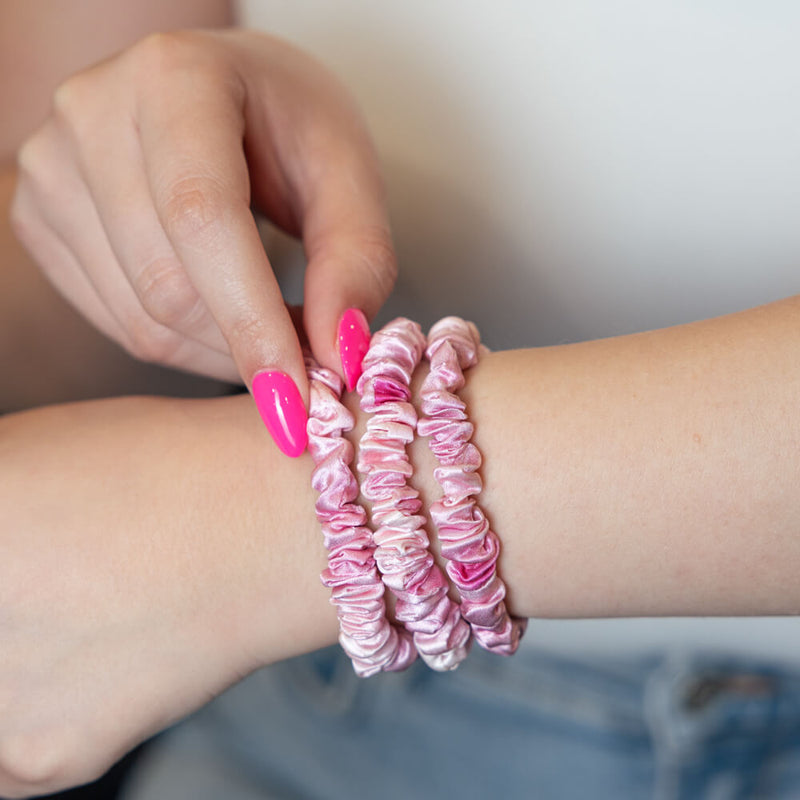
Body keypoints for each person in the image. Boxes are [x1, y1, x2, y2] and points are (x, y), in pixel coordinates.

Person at [4, 2, 800, 799]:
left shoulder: (231, 548)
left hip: (245, 596)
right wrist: (150, 219)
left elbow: (223, 546)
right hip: (299, 687)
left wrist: (257, 530)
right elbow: (65, 327)